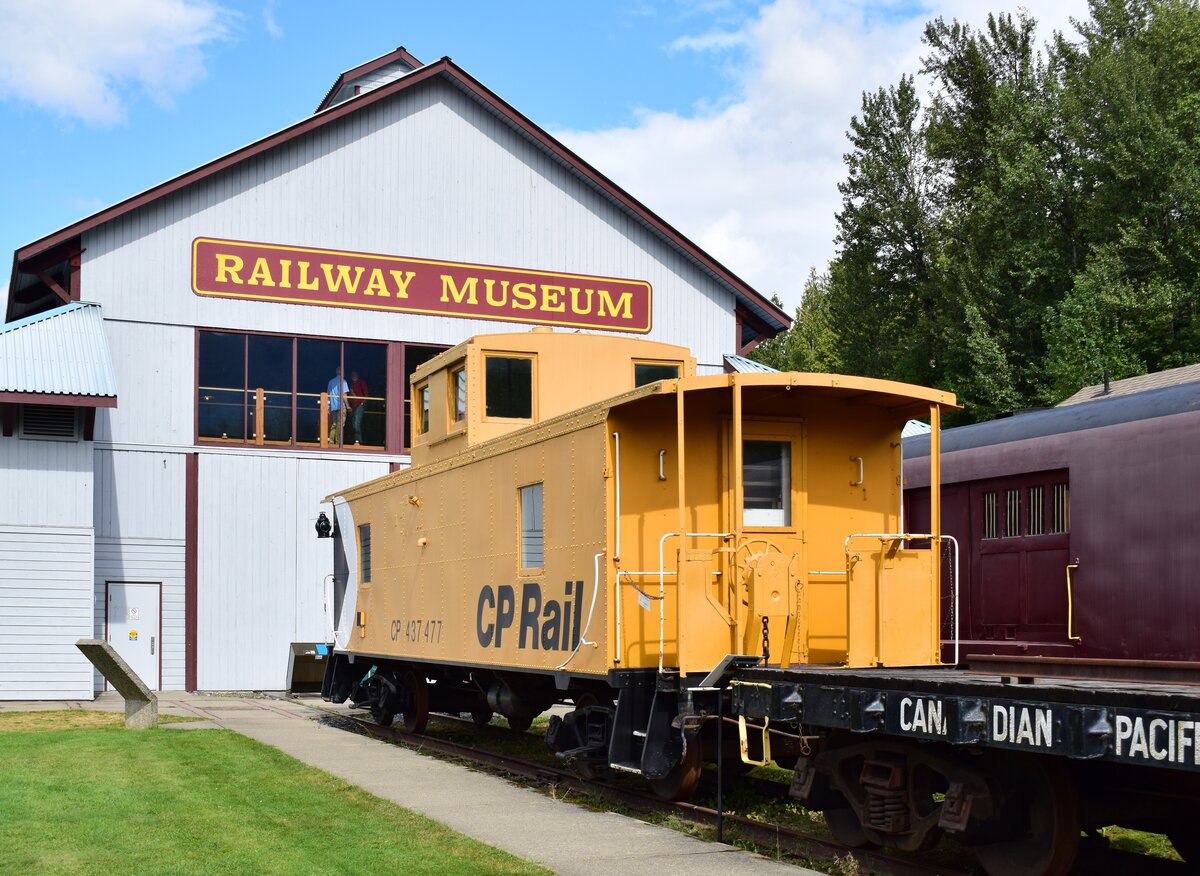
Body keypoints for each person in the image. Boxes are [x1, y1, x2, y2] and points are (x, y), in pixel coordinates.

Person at [326, 367, 349, 445]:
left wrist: (328, 407)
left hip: (333, 406)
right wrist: (348, 406)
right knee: (340, 424)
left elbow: (328, 395)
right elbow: (344, 395)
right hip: (341, 406)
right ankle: (338, 442)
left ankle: (331, 441)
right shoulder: (343, 381)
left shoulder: (330, 382)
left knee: (334, 424)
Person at [348, 370, 368, 445]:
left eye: (354, 374)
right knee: (354, 423)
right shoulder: (351, 385)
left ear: (357, 375)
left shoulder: (361, 382)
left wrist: (363, 402)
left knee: (356, 422)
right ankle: (357, 440)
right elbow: (350, 397)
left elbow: (366, 393)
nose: (353, 376)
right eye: (352, 375)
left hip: (359, 405)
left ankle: (358, 441)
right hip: (353, 407)